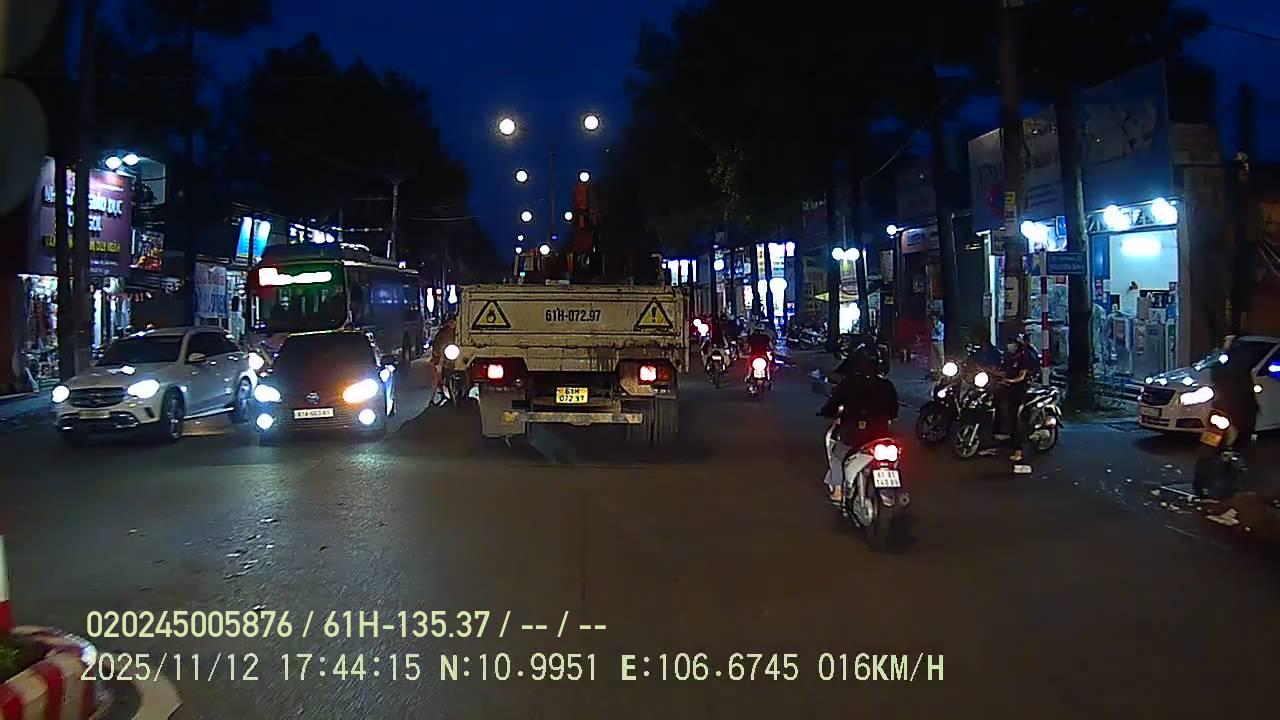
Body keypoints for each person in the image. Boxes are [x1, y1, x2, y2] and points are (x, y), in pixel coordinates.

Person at [818, 344, 899, 502]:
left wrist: (826, 412)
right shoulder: (887, 385)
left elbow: (832, 405)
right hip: (881, 435)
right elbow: (894, 411)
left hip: (853, 434)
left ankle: (838, 490)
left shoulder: (848, 384)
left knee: (836, 456)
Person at [1208, 337, 1260, 457]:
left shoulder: (1236, 360)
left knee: (1243, 432)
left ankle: (1238, 454)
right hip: (1228, 405)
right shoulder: (1225, 360)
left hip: (1236, 405)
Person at [993, 334, 1038, 463]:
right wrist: (989, 372)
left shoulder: (1025, 356)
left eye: (1012, 343)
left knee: (1016, 417)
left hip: (1021, 389)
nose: (1010, 346)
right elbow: (1003, 371)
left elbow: (1021, 376)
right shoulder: (1008, 357)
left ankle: (1019, 449)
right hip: (1008, 388)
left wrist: (1010, 380)